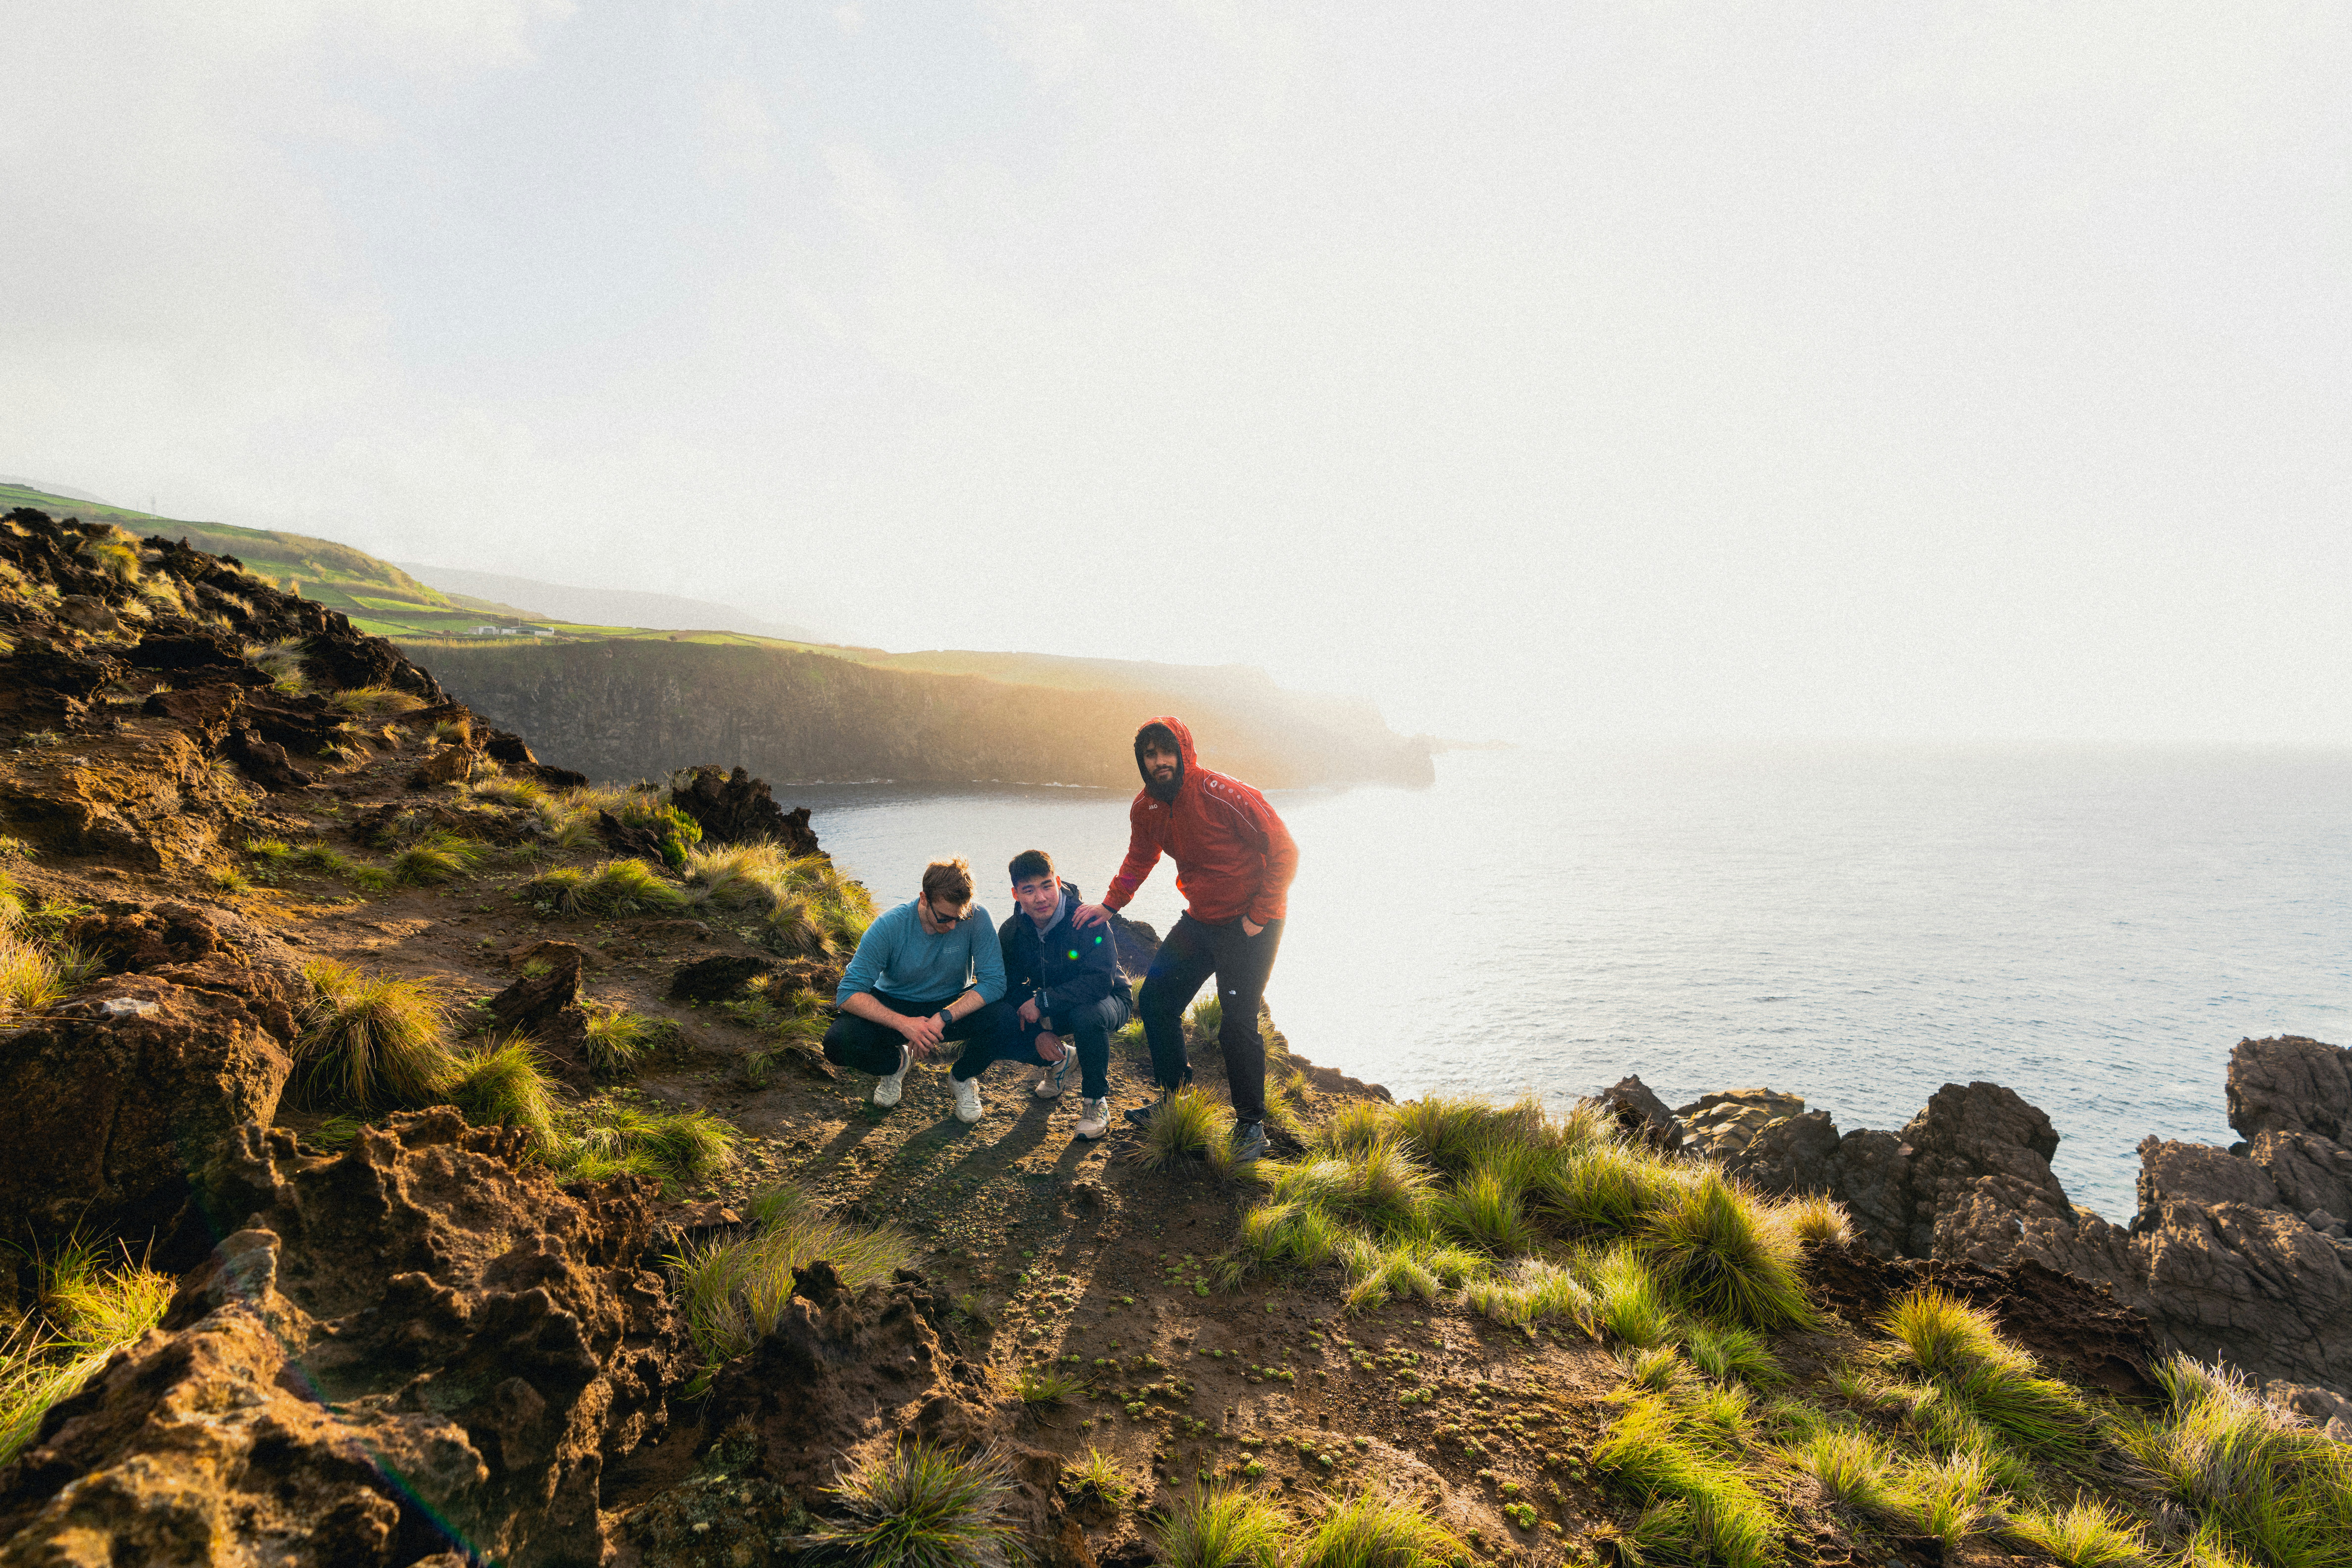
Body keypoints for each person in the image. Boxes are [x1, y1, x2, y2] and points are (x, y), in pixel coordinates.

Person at [1074, 716, 1298, 1162]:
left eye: (1166, 752)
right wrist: (1110, 905)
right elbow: (1141, 856)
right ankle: (1173, 1097)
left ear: (1183, 751)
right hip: (1200, 921)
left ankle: (1251, 1127)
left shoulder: (1221, 793)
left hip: (1251, 924)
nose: (1159, 762)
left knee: (1237, 1022)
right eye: (1149, 756)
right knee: (1156, 1000)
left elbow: (1285, 851)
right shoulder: (1147, 807)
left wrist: (1258, 914)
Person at [823, 856, 1019, 1124]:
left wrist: (942, 1018)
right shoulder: (889, 926)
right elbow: (847, 994)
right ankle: (897, 1064)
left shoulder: (976, 916)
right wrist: (906, 1025)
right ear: (924, 899)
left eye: (959, 918)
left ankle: (962, 1077)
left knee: (1006, 1018)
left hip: (951, 1004)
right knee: (837, 1042)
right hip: (896, 1003)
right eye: (945, 918)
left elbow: (995, 982)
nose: (952, 926)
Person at [996, 849, 1131, 1141]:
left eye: (1047, 886)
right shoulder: (1012, 931)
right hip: (1054, 1004)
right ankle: (1060, 1061)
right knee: (1003, 1017)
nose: (1041, 898)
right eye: (1029, 891)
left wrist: (1043, 1003)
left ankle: (1096, 1103)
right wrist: (1037, 1032)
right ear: (1016, 894)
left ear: (1058, 881)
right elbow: (1008, 984)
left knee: (1088, 1015)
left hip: (1110, 1000)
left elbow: (1099, 983)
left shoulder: (1087, 920)